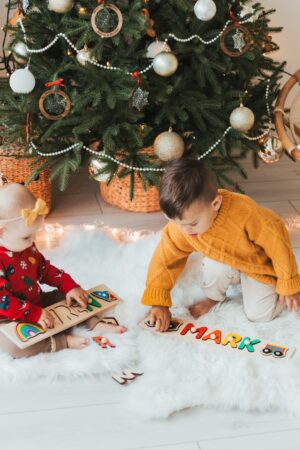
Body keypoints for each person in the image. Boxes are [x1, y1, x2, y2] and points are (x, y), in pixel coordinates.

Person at [141, 159, 300, 332]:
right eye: (176, 222)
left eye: (193, 224)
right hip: (226, 259)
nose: (185, 231)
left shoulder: (245, 212)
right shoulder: (182, 226)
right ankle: (214, 298)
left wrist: (289, 282)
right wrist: (158, 302)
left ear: (215, 204)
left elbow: (278, 243)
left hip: (259, 265)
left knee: (259, 314)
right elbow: (165, 259)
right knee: (214, 266)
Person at [0, 182, 126, 358]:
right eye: (27, 237)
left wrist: (69, 286)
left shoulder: (26, 246)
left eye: (34, 234)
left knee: (67, 299)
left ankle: (94, 323)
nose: (32, 241)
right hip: (7, 317)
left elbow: (45, 270)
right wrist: (33, 314)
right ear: (2, 232)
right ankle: (62, 342)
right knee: (12, 346)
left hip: (37, 300)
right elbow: (3, 301)